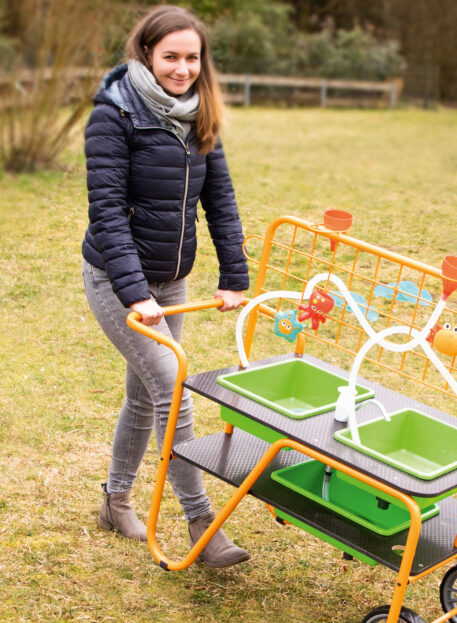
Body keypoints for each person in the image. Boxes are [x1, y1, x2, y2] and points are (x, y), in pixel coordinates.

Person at [82, 5, 250, 568]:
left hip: (173, 279)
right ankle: (201, 520)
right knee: (173, 388)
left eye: (192, 58)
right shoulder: (114, 114)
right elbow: (107, 212)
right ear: (146, 55)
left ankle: (115, 501)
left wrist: (233, 275)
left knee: (145, 392)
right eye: (171, 57)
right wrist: (136, 294)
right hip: (116, 278)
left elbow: (219, 198)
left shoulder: (200, 113)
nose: (182, 69)